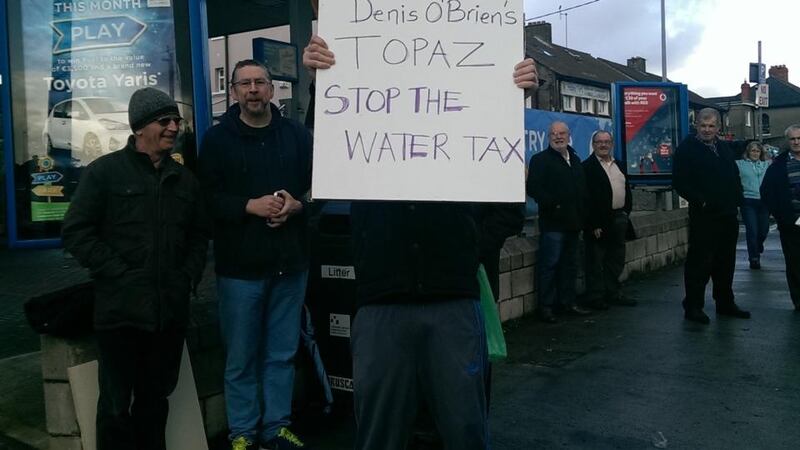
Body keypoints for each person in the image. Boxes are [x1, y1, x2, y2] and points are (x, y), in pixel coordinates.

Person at [303, 33, 538, 449]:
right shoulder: (367, 127)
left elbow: (507, 200)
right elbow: (325, 150)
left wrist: (512, 91)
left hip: (452, 299)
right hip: (381, 300)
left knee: (465, 428)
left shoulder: (465, 127)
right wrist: (324, 81)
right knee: (379, 433)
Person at [62, 87, 210, 450]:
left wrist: (186, 277)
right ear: (140, 127)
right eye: (165, 120)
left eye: (177, 120)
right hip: (121, 315)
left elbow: (198, 236)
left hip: (168, 316)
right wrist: (118, 273)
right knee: (114, 407)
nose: (174, 127)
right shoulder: (104, 174)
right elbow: (76, 232)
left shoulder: (185, 181)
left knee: (155, 403)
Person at [197, 60, 313, 450]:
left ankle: (276, 427)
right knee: (241, 358)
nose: (253, 89)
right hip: (239, 271)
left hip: (290, 265)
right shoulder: (216, 140)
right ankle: (243, 433)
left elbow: (321, 187)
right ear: (232, 92)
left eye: (260, 82)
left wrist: (297, 206)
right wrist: (249, 205)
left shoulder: (297, 136)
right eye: (244, 83)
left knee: (281, 354)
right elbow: (205, 200)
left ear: (272, 89)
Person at [672, 108, 750, 324]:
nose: (707, 130)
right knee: (700, 262)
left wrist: (738, 201)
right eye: (703, 126)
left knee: (726, 261)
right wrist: (701, 201)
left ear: (718, 127)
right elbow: (680, 182)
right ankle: (693, 306)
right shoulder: (686, 149)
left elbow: (733, 176)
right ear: (696, 125)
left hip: (727, 214)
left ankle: (725, 303)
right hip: (704, 216)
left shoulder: (723, 147)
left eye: (711, 126)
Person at [526, 121, 592, 323]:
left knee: (570, 265)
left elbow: (582, 189)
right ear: (548, 137)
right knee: (550, 265)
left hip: (574, 222)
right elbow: (534, 188)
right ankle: (546, 307)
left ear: (568, 135)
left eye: (562, 133)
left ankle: (568, 302)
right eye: (554, 134)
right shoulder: (540, 160)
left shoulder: (575, 158)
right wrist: (554, 204)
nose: (558, 137)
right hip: (553, 223)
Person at [582, 130, 635, 309]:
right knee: (596, 261)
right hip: (599, 221)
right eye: (599, 142)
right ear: (594, 145)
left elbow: (626, 189)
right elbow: (586, 198)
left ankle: (613, 292)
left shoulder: (618, 164)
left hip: (619, 218)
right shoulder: (587, 167)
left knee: (616, 259)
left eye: (606, 142)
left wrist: (626, 212)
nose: (603, 145)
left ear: (611, 144)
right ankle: (595, 297)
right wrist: (593, 224)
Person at [761, 124, 800, 311]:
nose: (796, 142)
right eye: (792, 139)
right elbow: (767, 192)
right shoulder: (778, 166)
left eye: (799, 138)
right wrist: (780, 215)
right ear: (788, 141)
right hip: (791, 221)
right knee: (794, 262)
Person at [736, 141, 771, 269]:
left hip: (764, 202)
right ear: (748, 152)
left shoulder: (767, 165)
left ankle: (758, 244)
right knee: (752, 231)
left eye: (757, 151)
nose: (755, 153)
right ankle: (754, 258)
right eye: (753, 151)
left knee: (764, 230)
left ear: (761, 153)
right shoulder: (740, 164)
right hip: (748, 201)